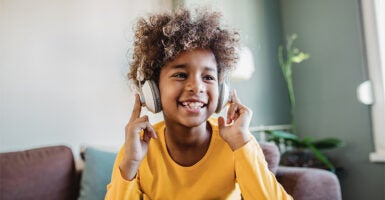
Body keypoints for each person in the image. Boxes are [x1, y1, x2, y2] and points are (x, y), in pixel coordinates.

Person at [105, 8, 292, 200]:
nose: (196, 87)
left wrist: (241, 143)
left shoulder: (237, 143)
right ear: (153, 88)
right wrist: (130, 164)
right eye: (180, 75)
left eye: (208, 77)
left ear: (222, 91)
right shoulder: (137, 148)